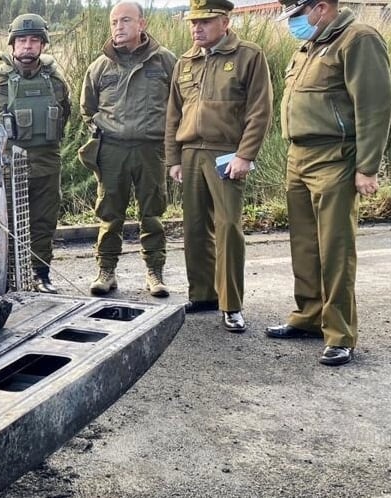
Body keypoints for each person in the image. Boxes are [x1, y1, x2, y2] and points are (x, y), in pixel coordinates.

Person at [265, 0, 391, 366]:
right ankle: (308, 316)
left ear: (321, 8)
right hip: (299, 156)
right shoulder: (310, 45)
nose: (292, 24)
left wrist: (367, 167)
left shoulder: (358, 39)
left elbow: (374, 105)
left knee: (335, 248)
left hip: (335, 157)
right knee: (304, 244)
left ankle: (340, 334)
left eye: (296, 15)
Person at [164, 0, 272, 332]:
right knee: (195, 228)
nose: (197, 28)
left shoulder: (248, 56)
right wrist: (173, 158)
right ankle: (203, 294)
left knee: (227, 228)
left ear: (225, 22)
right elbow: (173, 115)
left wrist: (246, 155)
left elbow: (260, 111)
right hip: (192, 152)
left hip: (227, 154)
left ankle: (231, 304)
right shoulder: (186, 61)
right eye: (193, 22)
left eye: (205, 21)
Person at [80, 1, 177, 298]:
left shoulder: (165, 62)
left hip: (151, 150)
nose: (118, 27)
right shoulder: (99, 66)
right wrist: (104, 131)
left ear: (142, 24)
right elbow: (88, 108)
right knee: (110, 214)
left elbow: (179, 104)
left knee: (153, 214)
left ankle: (155, 272)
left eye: (125, 20)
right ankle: (106, 271)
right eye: (114, 22)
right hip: (112, 152)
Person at [0, 13, 72, 293]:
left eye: (34, 40)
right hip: (6, 168)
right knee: (6, 226)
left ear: (43, 45)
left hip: (47, 166)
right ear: (12, 45)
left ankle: (41, 275)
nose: (28, 46)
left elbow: (65, 117)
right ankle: (10, 279)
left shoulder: (57, 83)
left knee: (43, 223)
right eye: (22, 40)